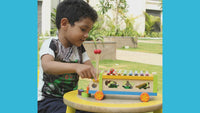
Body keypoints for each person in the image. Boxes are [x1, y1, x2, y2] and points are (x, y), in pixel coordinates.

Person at [38, 0, 98, 113]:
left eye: (88, 31)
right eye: (83, 29)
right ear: (64, 23)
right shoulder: (51, 44)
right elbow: (47, 65)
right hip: (48, 100)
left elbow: (90, 68)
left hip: (71, 98)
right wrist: (76, 67)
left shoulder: (79, 48)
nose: (86, 35)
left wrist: (99, 76)